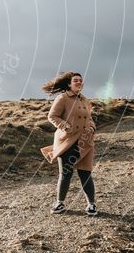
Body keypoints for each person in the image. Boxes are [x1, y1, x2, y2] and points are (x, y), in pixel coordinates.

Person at [39, 71, 98, 216]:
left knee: (86, 173)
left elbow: (89, 118)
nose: (79, 82)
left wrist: (91, 127)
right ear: (69, 84)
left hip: (85, 141)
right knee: (65, 173)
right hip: (67, 140)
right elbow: (52, 116)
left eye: (80, 80)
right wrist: (65, 126)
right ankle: (59, 203)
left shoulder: (85, 100)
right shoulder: (63, 98)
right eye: (75, 80)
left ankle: (92, 205)